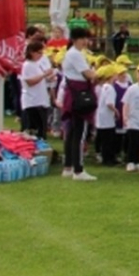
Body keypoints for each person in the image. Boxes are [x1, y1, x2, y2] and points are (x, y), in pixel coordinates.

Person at [61, 27, 97, 181]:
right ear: (75, 39)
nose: (85, 41)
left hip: (74, 94)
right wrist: (100, 73)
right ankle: (78, 170)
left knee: (72, 132)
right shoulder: (75, 54)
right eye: (83, 38)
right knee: (79, 133)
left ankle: (69, 166)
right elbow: (88, 74)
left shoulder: (74, 53)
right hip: (79, 95)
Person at [19, 39, 54, 139]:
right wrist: (44, 75)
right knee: (34, 130)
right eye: (39, 53)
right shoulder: (27, 65)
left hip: (40, 100)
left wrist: (49, 77)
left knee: (42, 130)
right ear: (31, 52)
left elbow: (40, 79)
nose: (41, 55)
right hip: (32, 101)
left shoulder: (37, 64)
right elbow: (30, 82)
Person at [94, 65, 120, 166]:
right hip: (107, 117)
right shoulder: (110, 88)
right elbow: (109, 103)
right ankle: (108, 159)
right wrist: (116, 111)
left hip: (101, 116)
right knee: (109, 139)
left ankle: (107, 157)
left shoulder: (104, 87)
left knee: (105, 138)